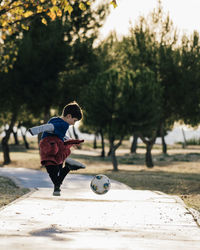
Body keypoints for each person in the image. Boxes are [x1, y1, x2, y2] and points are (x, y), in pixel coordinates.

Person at [30, 101, 85, 196]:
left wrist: (71, 140)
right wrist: (35, 130)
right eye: (74, 121)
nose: (73, 124)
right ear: (69, 116)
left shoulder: (54, 119)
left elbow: (61, 135)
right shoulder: (63, 124)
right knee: (55, 173)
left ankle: (57, 187)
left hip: (52, 149)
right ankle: (67, 169)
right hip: (52, 150)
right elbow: (49, 127)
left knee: (53, 173)